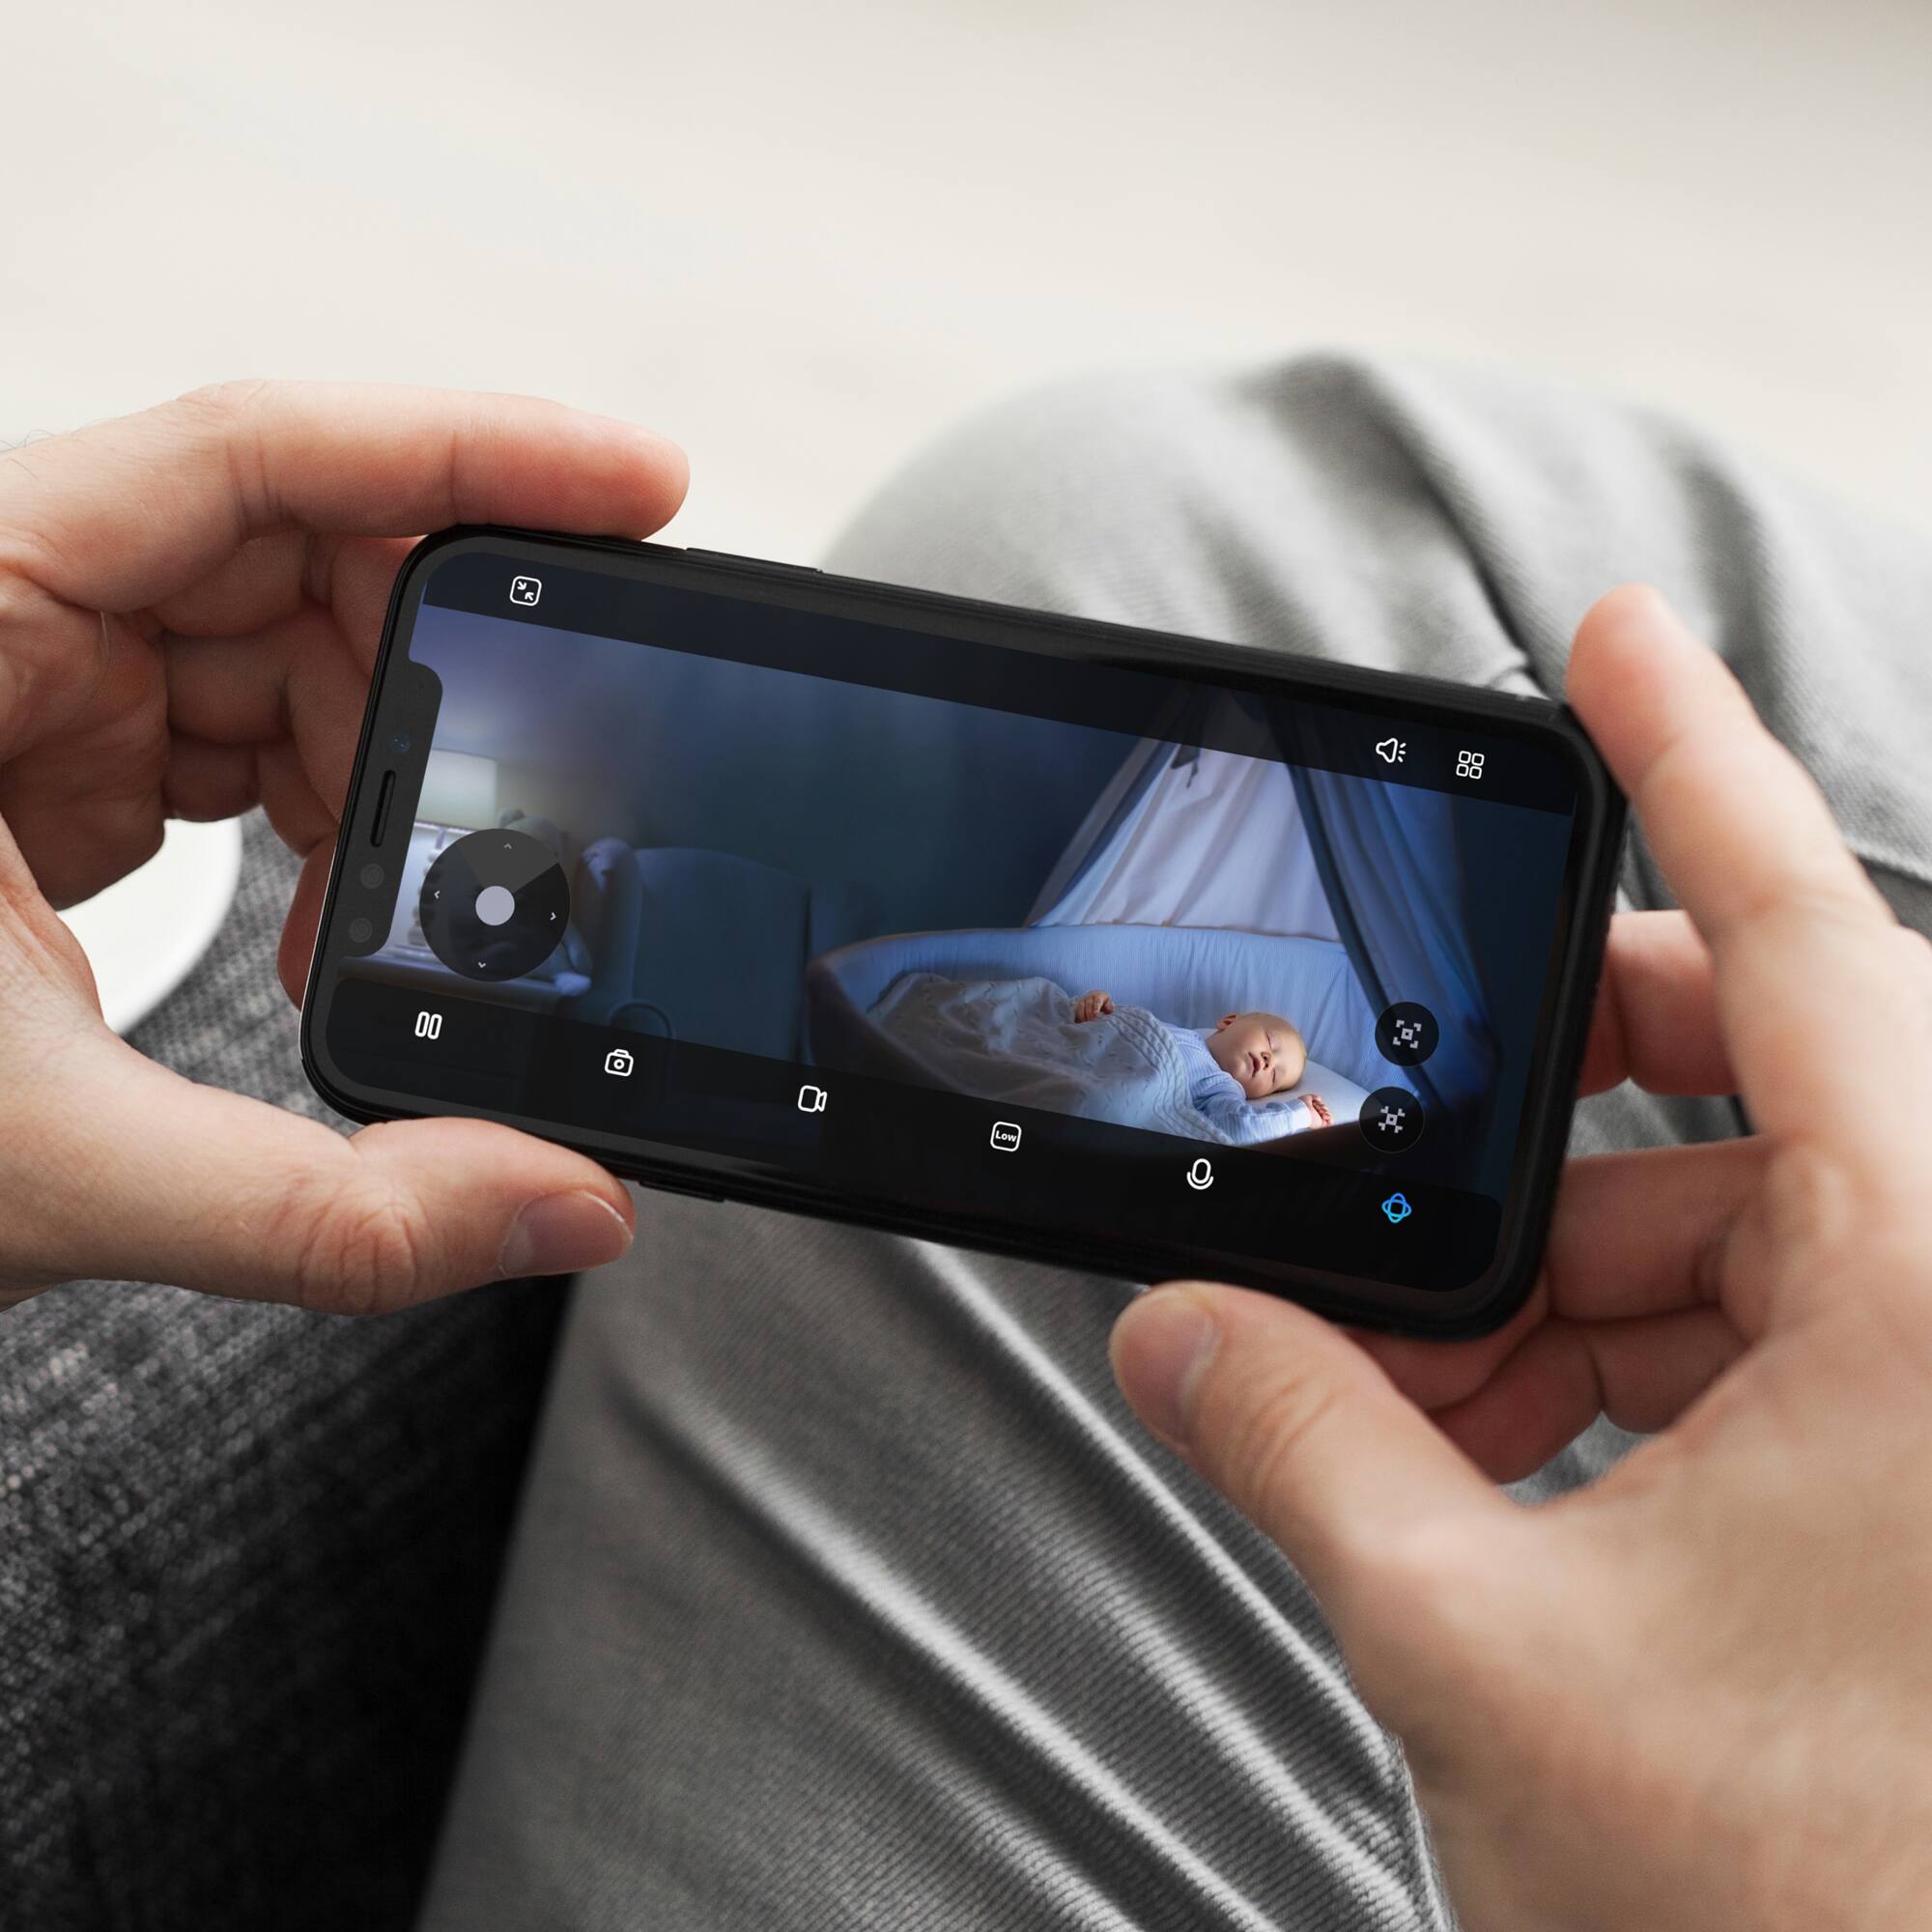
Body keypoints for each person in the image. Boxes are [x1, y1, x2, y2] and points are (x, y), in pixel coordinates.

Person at [1, 372, 1928, 1929]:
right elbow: (1138, 1033)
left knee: (1114, 519)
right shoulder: (1206, 1046)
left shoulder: (1217, 1054)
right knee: (1094, 520)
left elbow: (1166, 1047)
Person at [1074, 990, 1334, 1137]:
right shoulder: (1176, 1031)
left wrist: (1300, 1113)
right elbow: (1123, 1025)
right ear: (1229, 1021)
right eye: (1270, 1041)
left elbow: (1241, 1125)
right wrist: (1100, 1006)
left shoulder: (1223, 1087)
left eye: (1275, 1076)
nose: (1269, 1061)